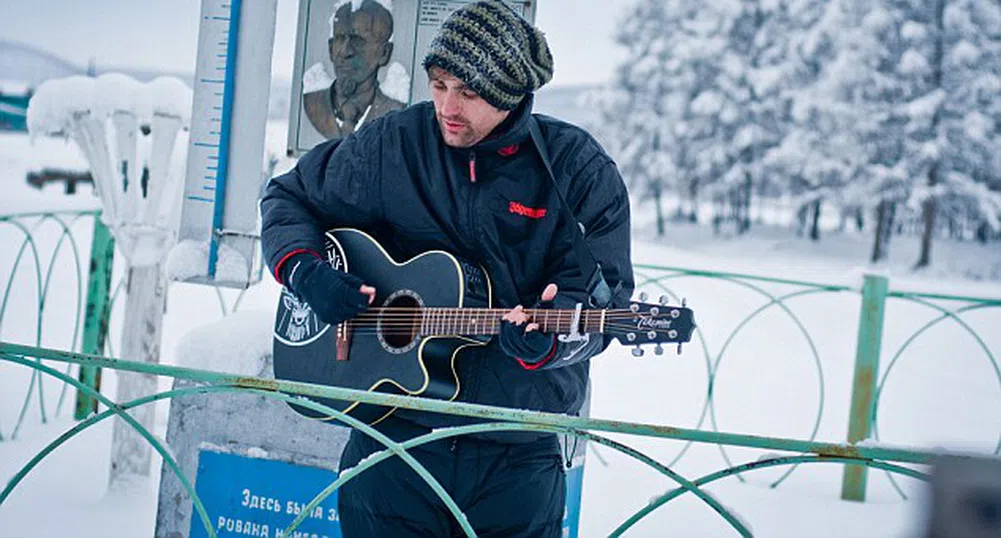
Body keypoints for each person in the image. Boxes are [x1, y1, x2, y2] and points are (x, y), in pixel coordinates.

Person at [261, 1, 634, 536]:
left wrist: (553, 340)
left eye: (469, 92)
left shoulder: (577, 170)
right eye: (439, 84)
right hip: (391, 442)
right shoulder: (396, 145)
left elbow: (605, 303)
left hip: (517, 453)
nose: (447, 106)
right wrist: (305, 271)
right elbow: (288, 197)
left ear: (508, 93)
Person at [302, 0, 406, 138]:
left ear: (384, 53)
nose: (345, 51)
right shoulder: (313, 103)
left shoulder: (393, 112)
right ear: (331, 48)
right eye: (339, 39)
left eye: (358, 40)